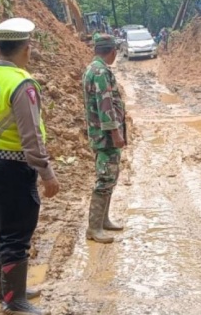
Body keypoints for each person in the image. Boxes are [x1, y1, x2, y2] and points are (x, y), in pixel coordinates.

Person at [0, 17, 60, 314]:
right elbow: (31, 136)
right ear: (26, 48)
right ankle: (15, 301)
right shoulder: (21, 83)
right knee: (16, 234)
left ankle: (6, 291)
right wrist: (47, 174)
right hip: (11, 167)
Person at [82, 33, 126, 244]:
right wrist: (116, 133)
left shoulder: (94, 68)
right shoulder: (100, 72)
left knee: (109, 178)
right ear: (112, 51)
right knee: (105, 179)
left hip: (101, 134)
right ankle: (94, 228)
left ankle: (103, 220)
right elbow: (105, 105)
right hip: (105, 136)